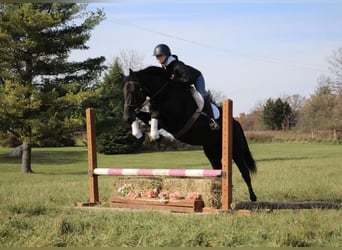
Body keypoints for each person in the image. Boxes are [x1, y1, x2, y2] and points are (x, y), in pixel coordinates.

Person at [153, 44, 219, 130]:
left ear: (166, 55)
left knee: (202, 95)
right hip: (183, 81)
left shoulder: (177, 65)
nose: (158, 58)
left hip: (196, 78)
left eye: (159, 56)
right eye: (156, 56)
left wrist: (174, 80)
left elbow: (188, 79)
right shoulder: (164, 69)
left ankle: (212, 119)